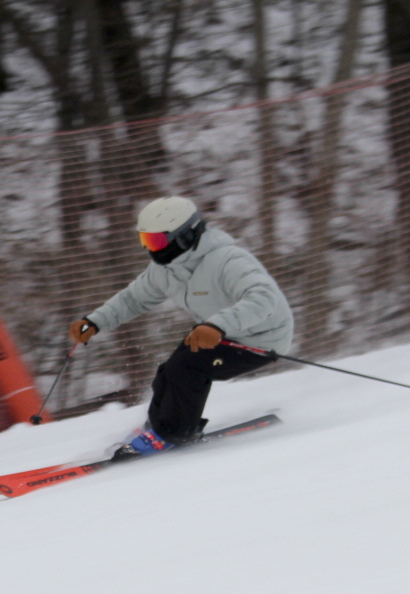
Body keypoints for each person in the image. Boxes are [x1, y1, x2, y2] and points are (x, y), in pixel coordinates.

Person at [68, 196, 294, 461]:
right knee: (168, 372)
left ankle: (174, 433)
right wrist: (95, 321)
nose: (150, 249)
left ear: (184, 236)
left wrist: (218, 325)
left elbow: (263, 298)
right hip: (218, 333)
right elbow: (133, 299)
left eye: (156, 241)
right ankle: (157, 426)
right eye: (145, 240)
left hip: (261, 339)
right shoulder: (166, 269)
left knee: (186, 369)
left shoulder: (228, 260)